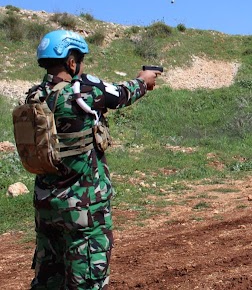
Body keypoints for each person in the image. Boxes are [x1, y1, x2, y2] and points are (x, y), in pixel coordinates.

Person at [28, 29, 158, 289]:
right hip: (84, 209)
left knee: (48, 280)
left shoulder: (34, 96)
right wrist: (144, 81)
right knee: (87, 280)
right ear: (71, 61)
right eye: (80, 60)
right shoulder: (84, 90)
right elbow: (122, 94)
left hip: (46, 205)